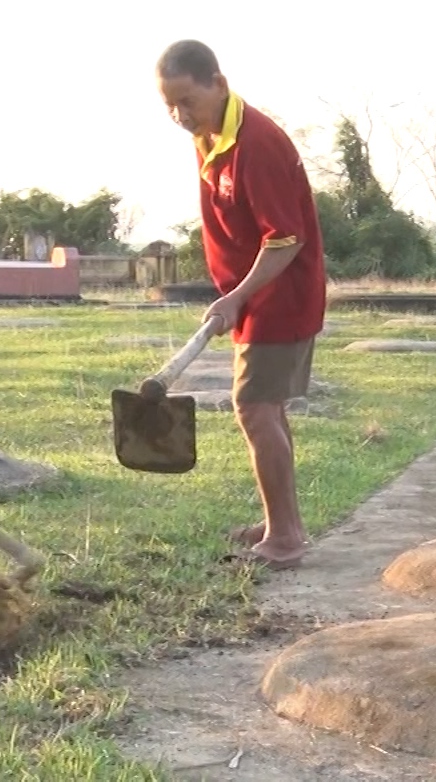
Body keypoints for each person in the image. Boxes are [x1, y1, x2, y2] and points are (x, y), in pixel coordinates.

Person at [156, 40, 326, 570]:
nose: (180, 116)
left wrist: (236, 296)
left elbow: (285, 239)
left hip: (280, 297)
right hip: (255, 298)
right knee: (266, 410)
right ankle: (280, 521)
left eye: (188, 101)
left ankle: (286, 537)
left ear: (219, 83)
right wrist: (234, 295)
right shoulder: (211, 137)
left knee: (253, 409)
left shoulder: (258, 144)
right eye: (170, 105)